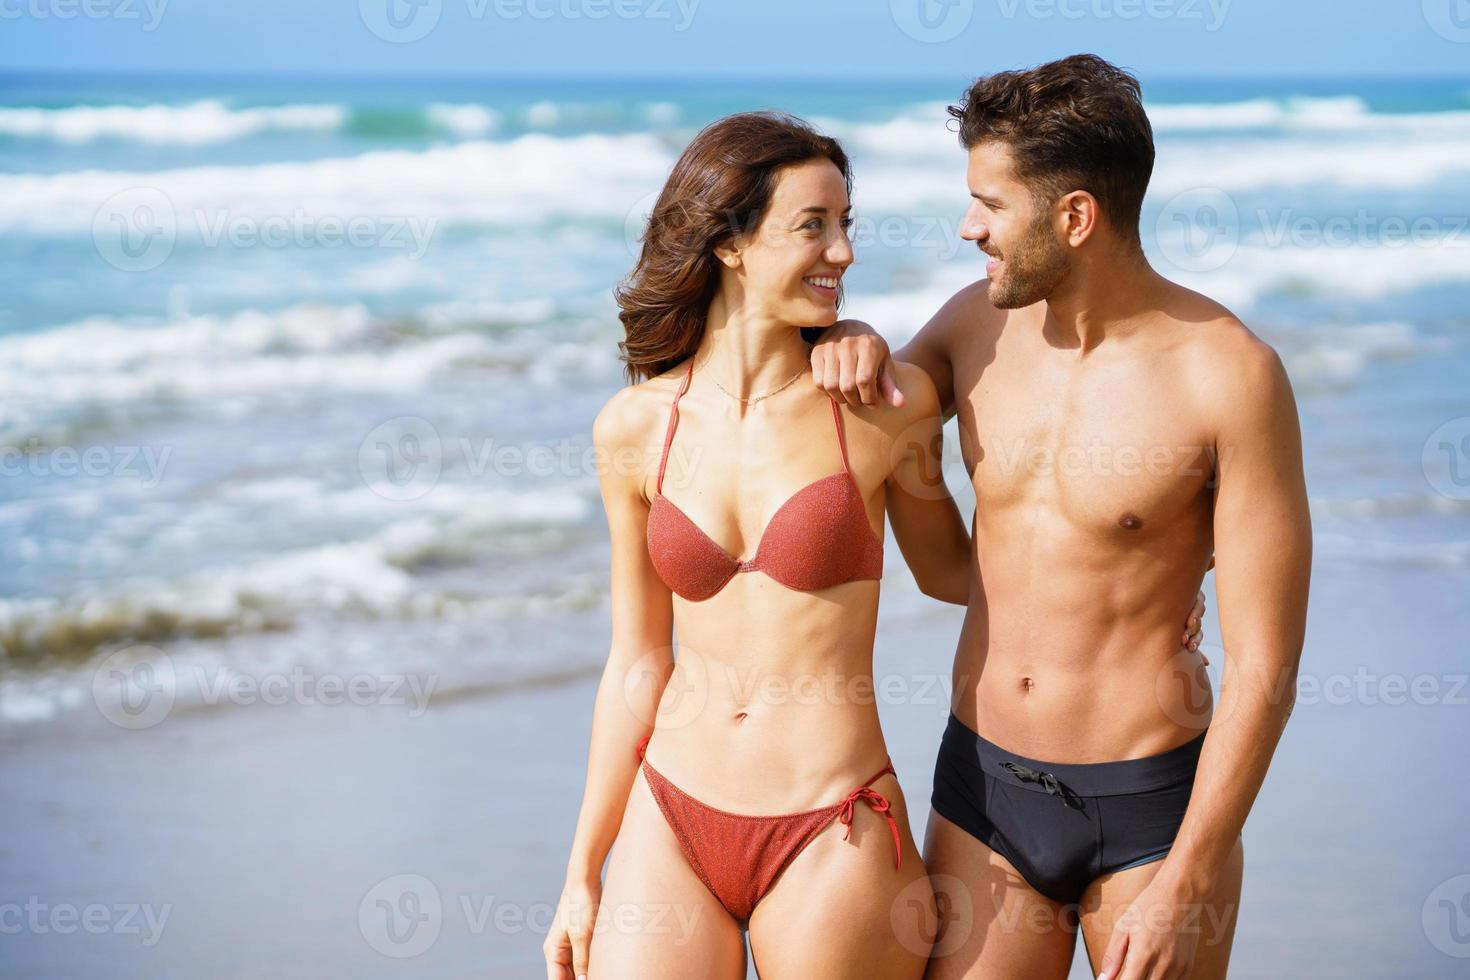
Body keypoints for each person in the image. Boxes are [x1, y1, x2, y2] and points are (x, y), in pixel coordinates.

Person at [543, 108, 1205, 980]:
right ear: (729, 244)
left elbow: (956, 573)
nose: (844, 252)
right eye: (813, 226)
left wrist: (1149, 581)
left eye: (845, 223)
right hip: (669, 810)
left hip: (833, 822)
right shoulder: (632, 428)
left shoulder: (879, 411)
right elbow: (637, 660)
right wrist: (582, 868)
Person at [810, 54, 1311, 980]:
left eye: (991, 206)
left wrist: (1188, 879)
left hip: (1153, 813)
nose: (970, 229)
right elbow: (919, 511)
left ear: (1075, 216)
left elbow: (1268, 661)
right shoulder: (973, 327)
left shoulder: (1229, 377)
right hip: (983, 798)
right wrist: (854, 339)